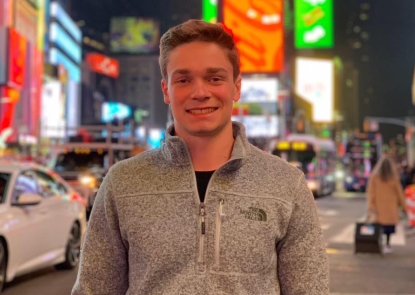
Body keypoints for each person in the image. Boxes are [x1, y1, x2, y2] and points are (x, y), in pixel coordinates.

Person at [72, 19, 329, 295]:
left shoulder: (286, 185)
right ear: (166, 90)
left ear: (236, 87)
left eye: (214, 78)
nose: (200, 92)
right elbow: (93, 289)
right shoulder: (123, 183)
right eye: (183, 80)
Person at [367, 156, 408, 253]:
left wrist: (371, 206)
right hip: (391, 208)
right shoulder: (394, 177)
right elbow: (399, 193)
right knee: (389, 229)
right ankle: (387, 245)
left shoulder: (374, 177)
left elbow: (371, 192)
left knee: (378, 227)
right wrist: (404, 208)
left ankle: (378, 243)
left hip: (378, 207)